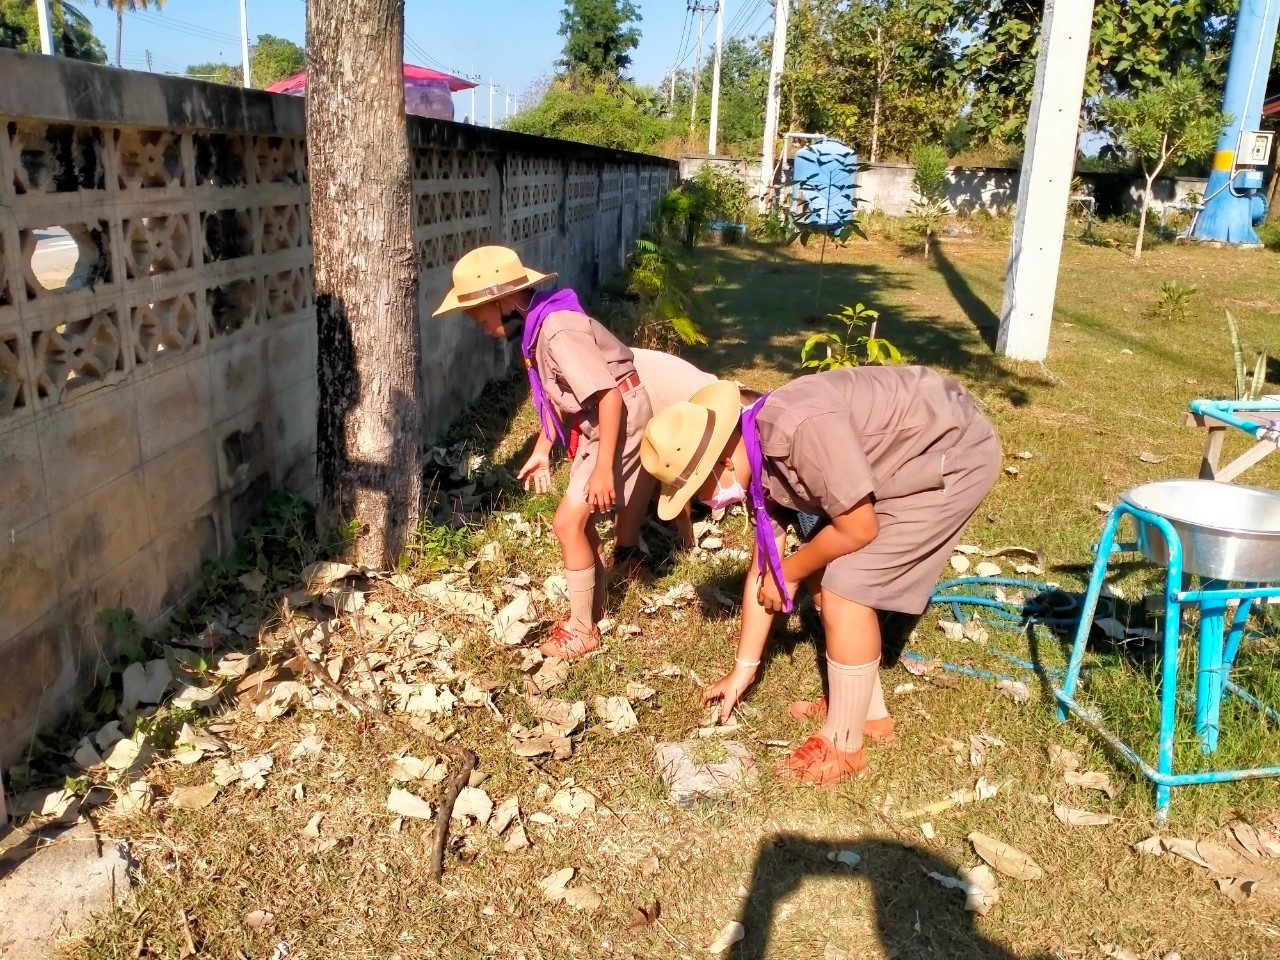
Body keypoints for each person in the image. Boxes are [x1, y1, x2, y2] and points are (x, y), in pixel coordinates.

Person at [639, 366, 1001, 785]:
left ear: (720, 464)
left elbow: (858, 529)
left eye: (699, 494)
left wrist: (791, 572)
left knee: (845, 587)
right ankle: (867, 714)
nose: (708, 504)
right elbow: (764, 569)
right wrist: (744, 670)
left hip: (950, 452)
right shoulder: (756, 452)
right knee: (823, 569)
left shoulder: (796, 434)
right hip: (907, 455)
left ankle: (843, 747)